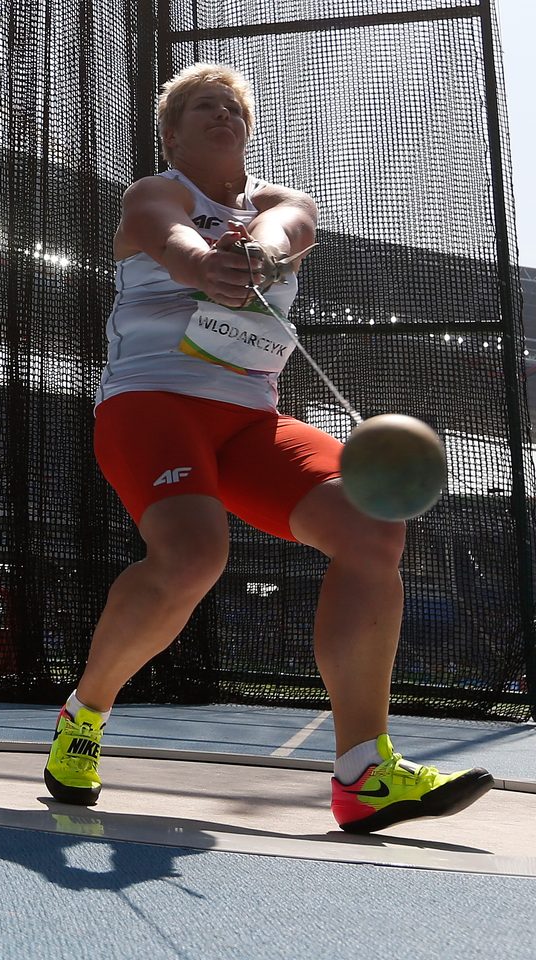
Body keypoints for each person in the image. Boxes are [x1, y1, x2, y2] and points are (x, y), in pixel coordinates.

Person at [44, 63, 493, 833]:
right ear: (172, 133)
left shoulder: (284, 204)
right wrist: (203, 264)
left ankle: (363, 774)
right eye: (203, 107)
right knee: (191, 556)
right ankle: (85, 715)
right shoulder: (154, 194)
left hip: (252, 422)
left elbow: (290, 231)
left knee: (374, 530)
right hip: (152, 405)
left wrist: (260, 252)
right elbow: (173, 239)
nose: (222, 115)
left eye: (233, 108)